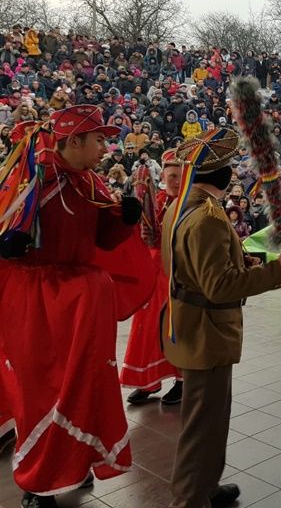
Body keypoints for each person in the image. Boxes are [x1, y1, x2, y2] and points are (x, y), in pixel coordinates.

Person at [0, 106, 149, 508]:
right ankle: (35, 482)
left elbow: (104, 238)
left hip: (78, 303)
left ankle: (74, 463)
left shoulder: (90, 184)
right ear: (73, 141)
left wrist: (124, 220)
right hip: (31, 299)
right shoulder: (30, 176)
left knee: (81, 386)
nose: (105, 147)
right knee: (37, 389)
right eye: (98, 139)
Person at [161, 128, 281, 508]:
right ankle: (189, 499)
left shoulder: (182, 204)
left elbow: (197, 266)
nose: (233, 174)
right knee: (201, 425)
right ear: (218, 175)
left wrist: (242, 260)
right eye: (228, 168)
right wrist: (278, 271)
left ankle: (206, 486)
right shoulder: (205, 216)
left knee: (212, 419)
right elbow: (219, 286)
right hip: (206, 331)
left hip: (196, 327)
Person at [120, 149, 184, 406]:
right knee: (146, 327)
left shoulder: (194, 203)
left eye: (180, 176)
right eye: (171, 176)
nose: (175, 181)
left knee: (175, 328)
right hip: (151, 272)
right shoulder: (156, 199)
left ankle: (182, 380)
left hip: (178, 273)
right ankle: (147, 380)